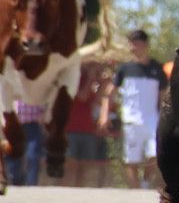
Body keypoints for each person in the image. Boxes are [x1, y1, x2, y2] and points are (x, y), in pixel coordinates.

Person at [112, 28, 166, 190]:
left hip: (152, 119)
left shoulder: (157, 68)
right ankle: (135, 191)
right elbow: (111, 92)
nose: (134, 47)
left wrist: (165, 116)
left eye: (138, 43)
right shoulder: (124, 69)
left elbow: (163, 95)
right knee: (131, 158)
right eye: (132, 44)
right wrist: (104, 114)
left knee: (155, 155)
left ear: (146, 45)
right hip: (131, 120)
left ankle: (145, 183)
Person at [61, 62, 110, 188]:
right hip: (72, 129)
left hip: (88, 130)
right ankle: (66, 191)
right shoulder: (74, 78)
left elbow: (97, 100)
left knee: (86, 166)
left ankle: (81, 193)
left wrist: (104, 83)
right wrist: (91, 78)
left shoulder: (91, 81)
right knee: (71, 166)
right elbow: (82, 96)